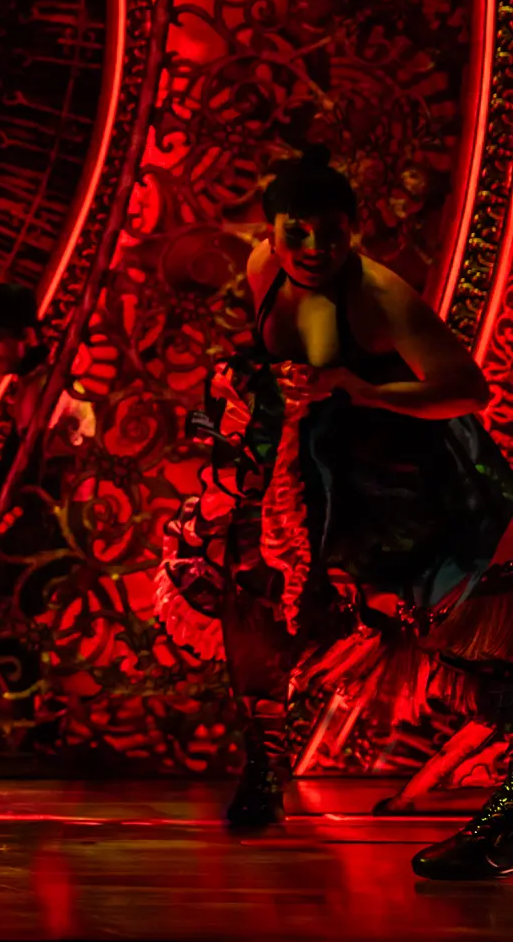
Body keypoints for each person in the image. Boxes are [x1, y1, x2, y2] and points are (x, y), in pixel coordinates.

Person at [161, 151, 513, 839]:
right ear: (272, 232)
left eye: (332, 232)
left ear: (354, 229)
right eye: (299, 232)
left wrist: (364, 391)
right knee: (246, 585)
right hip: (289, 463)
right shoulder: (264, 270)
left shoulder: (380, 296)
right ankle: (265, 767)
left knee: (413, 623)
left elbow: (469, 389)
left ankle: (490, 756)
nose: (315, 249)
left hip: (385, 482)